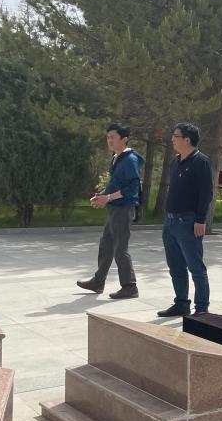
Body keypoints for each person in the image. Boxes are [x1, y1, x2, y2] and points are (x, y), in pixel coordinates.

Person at [77, 123, 145, 299]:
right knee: (106, 244)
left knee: (120, 248)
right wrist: (103, 196)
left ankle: (130, 286)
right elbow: (117, 183)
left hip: (123, 209)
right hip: (115, 208)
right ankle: (98, 281)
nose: (109, 140)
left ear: (124, 139)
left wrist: (107, 197)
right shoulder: (116, 157)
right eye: (108, 137)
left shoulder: (129, 159)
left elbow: (133, 188)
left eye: (113, 137)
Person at [157, 122, 214, 317]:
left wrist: (200, 220)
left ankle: (202, 308)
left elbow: (206, 194)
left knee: (195, 267)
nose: (172, 139)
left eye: (176, 136)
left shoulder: (201, 161)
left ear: (187, 140)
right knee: (175, 266)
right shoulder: (175, 162)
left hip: (188, 222)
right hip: (170, 222)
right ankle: (181, 303)